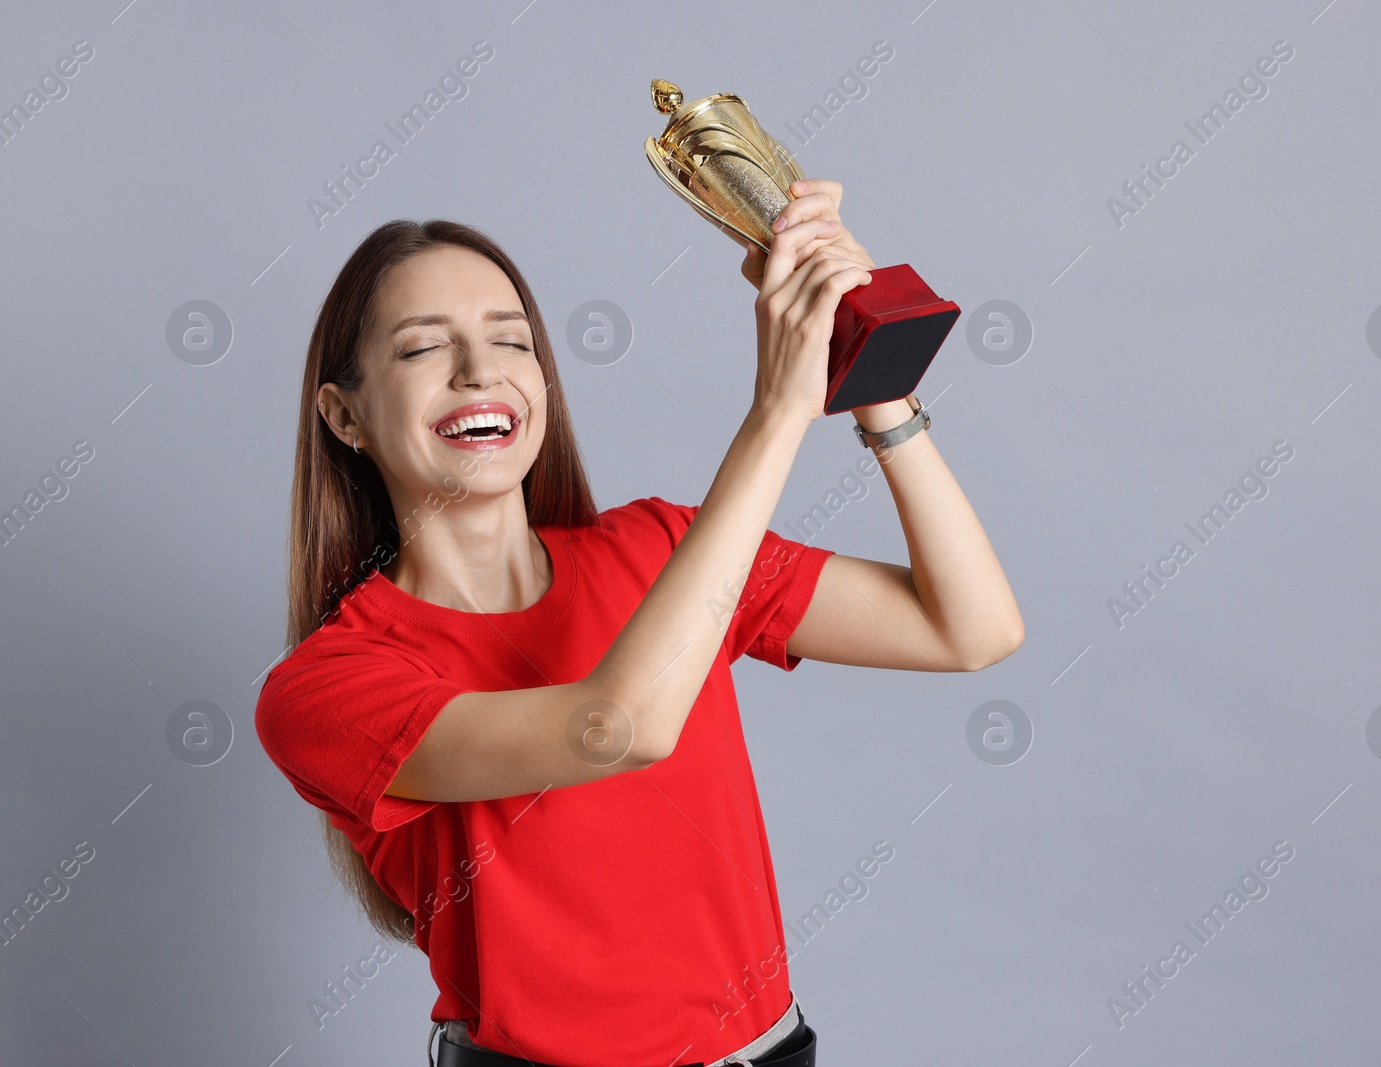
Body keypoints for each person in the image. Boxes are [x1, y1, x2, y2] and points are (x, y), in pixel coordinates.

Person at [254, 178, 1024, 1067]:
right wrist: (777, 411)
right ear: (345, 415)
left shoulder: (664, 548)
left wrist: (867, 361)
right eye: (424, 347)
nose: (479, 370)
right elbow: (613, 726)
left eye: (511, 340)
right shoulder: (322, 688)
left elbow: (972, 628)